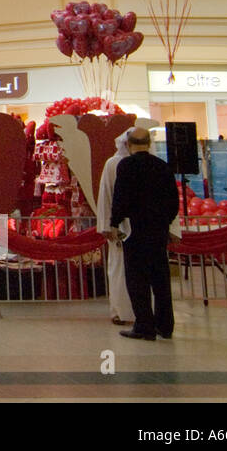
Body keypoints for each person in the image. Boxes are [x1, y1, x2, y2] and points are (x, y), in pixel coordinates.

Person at [110, 128, 179, 341]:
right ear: (149, 144)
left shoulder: (126, 166)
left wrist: (114, 223)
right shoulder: (162, 166)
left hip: (136, 230)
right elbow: (173, 201)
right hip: (158, 231)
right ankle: (165, 325)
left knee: (137, 280)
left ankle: (144, 325)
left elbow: (120, 197)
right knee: (160, 279)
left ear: (129, 145)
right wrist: (164, 222)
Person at [96, 128, 134, 326]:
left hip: (141, 227)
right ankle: (120, 310)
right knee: (119, 269)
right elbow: (106, 196)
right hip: (119, 227)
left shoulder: (153, 163)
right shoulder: (113, 164)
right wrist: (107, 225)